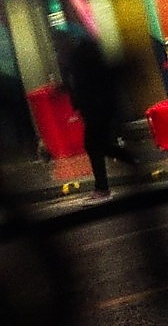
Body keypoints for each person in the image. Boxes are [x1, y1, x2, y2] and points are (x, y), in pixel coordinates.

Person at [59, 29, 139, 199]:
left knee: (93, 145)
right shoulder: (77, 58)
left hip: (97, 108)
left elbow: (88, 83)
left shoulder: (81, 58)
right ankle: (131, 161)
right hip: (97, 108)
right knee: (98, 145)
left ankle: (104, 186)